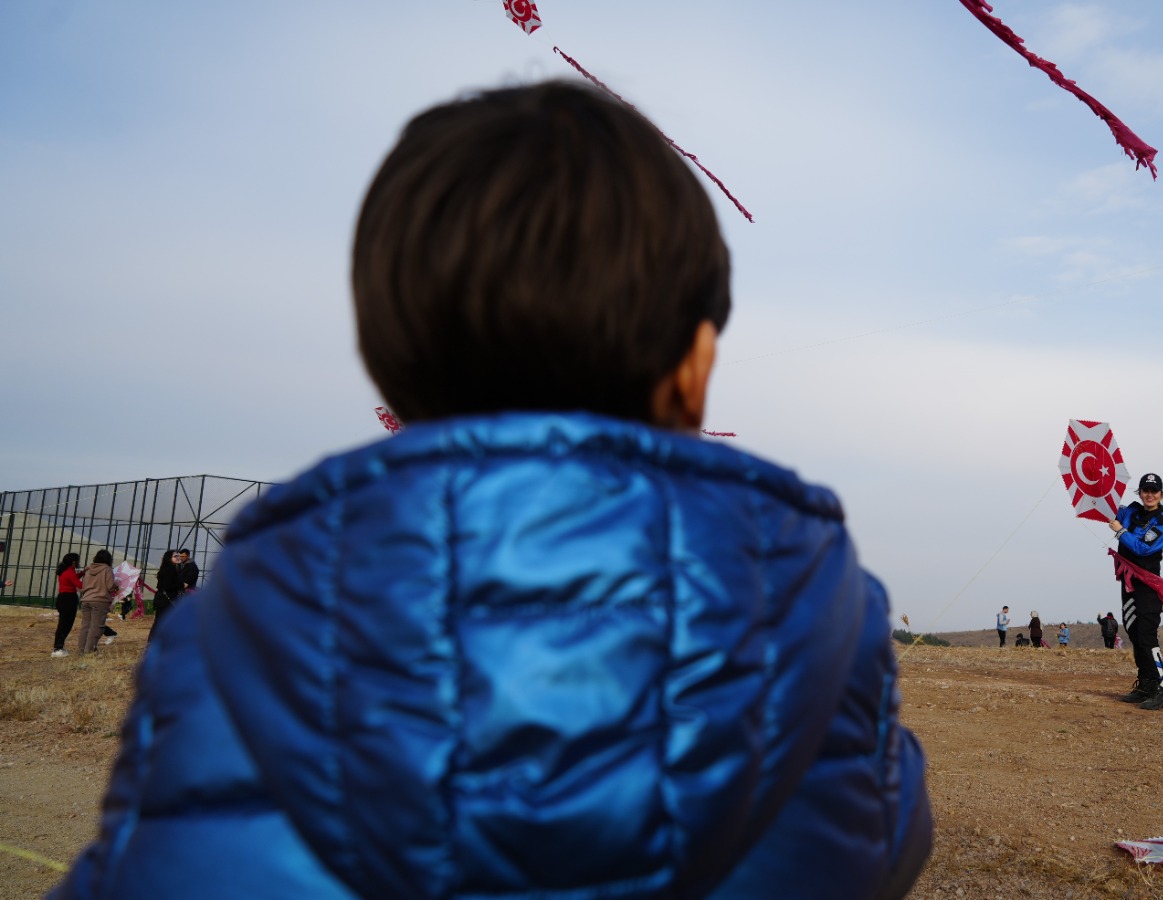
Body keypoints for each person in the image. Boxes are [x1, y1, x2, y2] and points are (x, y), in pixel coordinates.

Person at [57, 81, 931, 899]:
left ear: (390, 371)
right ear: (696, 368)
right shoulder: (824, 610)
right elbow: (888, 834)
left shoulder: (225, 631)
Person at [1111, 472, 1163, 710]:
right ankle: (1145, 685)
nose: (1149, 495)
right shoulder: (1131, 512)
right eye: (1145, 490)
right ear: (1140, 492)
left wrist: (1120, 532)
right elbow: (1109, 510)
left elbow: (1142, 548)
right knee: (1134, 631)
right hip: (1128, 583)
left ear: (1160, 494)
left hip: (1148, 586)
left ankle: (1159, 689)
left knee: (1147, 635)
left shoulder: (1161, 523)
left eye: (1154, 491)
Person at [76, 550, 116, 655]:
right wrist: (116, 586)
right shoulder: (107, 569)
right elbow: (110, 586)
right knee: (96, 626)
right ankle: (89, 651)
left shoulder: (89, 570)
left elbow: (83, 586)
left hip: (86, 600)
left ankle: (81, 650)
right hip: (100, 601)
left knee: (85, 626)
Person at [51, 553, 82, 658]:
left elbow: (73, 579)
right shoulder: (70, 572)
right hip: (68, 599)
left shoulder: (66, 571)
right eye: (77, 561)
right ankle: (57, 647)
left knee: (64, 623)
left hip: (63, 598)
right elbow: (79, 585)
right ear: (73, 562)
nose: (79, 563)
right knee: (65, 624)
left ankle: (59, 646)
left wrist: (83, 573)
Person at [149, 550, 180, 636]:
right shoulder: (169, 569)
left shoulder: (170, 568)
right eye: (175, 556)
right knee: (161, 621)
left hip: (164, 598)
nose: (178, 557)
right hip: (165, 599)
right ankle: (154, 641)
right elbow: (166, 586)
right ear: (169, 558)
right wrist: (179, 585)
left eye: (178, 555)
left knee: (161, 621)